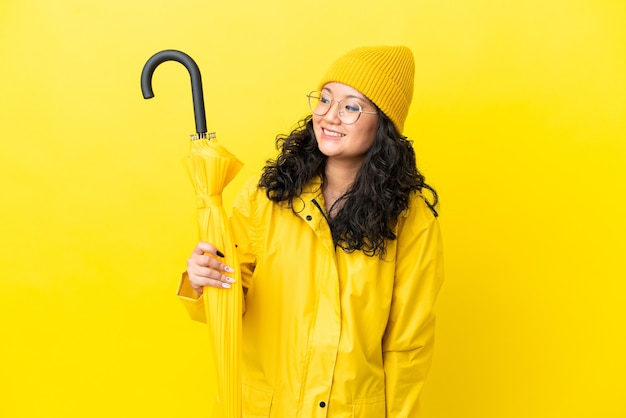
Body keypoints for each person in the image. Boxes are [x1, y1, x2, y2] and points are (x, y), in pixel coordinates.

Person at [177, 45, 444, 417]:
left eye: (351, 106)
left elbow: (406, 347)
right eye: (324, 99)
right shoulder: (265, 196)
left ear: (384, 124)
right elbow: (228, 303)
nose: (330, 116)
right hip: (266, 408)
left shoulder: (411, 220)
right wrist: (202, 280)